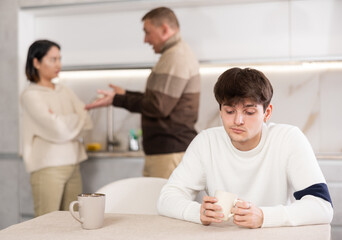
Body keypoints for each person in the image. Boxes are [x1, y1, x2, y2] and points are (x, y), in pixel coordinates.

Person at [157, 67, 333, 228]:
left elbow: (322, 205)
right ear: (220, 111)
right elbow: (167, 198)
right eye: (230, 111)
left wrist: (264, 217)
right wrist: (199, 213)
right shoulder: (206, 142)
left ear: (267, 113)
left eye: (249, 112)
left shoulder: (288, 139)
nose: (238, 121)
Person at [85, 7, 200, 179]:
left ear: (164, 29)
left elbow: (158, 107)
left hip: (169, 152)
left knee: (163, 206)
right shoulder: (173, 54)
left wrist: (119, 99)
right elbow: (158, 100)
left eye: (147, 32)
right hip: (166, 151)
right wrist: (123, 95)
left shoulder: (176, 56)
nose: (145, 40)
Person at [20, 40, 93, 217]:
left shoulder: (65, 91)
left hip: (74, 164)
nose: (58, 64)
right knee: (47, 224)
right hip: (48, 167)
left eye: (59, 59)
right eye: (53, 59)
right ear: (36, 62)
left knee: (75, 221)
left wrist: (64, 120)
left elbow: (88, 122)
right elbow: (58, 129)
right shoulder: (30, 95)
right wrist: (74, 119)